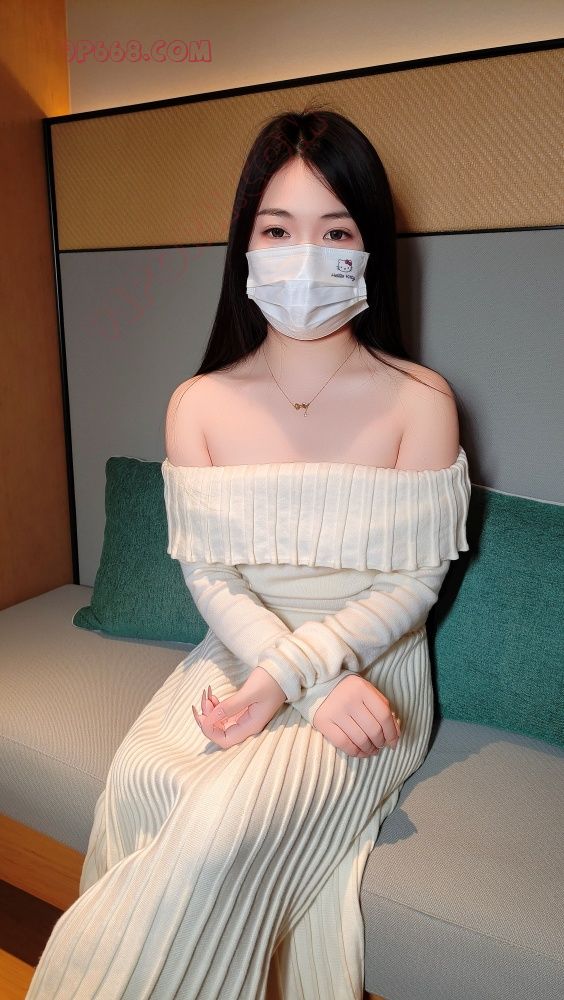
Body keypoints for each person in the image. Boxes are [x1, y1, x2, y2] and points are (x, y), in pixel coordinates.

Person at [27, 105, 471, 999]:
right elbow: (211, 575)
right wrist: (280, 676)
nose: (304, 255)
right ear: (244, 246)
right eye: (278, 229)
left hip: (372, 670)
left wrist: (304, 681)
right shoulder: (197, 403)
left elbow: (416, 581)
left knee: (221, 823)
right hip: (240, 647)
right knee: (143, 779)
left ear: (369, 249)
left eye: (334, 231)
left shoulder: (421, 400)